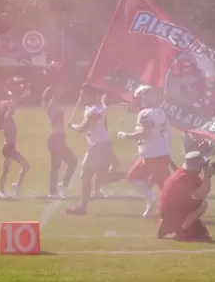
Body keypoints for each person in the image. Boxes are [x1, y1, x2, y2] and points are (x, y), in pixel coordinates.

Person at [67, 85, 124, 215]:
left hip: (98, 147)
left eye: (84, 94)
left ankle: (129, 176)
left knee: (89, 177)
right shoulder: (94, 107)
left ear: (91, 95)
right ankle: (82, 207)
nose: (82, 97)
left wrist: (72, 126)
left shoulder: (95, 110)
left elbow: (83, 128)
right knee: (92, 178)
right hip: (97, 145)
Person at [117, 85, 172, 218]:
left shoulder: (146, 113)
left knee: (132, 177)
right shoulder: (160, 111)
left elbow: (143, 133)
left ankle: (152, 201)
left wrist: (125, 135)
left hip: (151, 156)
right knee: (167, 187)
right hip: (161, 154)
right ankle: (173, 210)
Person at [157, 151, 214, 242]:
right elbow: (201, 195)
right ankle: (180, 230)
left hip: (168, 210)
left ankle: (167, 225)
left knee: (201, 233)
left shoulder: (182, 173)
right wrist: (208, 176)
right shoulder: (186, 177)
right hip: (173, 212)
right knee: (203, 205)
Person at [42, 84, 77, 199]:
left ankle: (53, 191)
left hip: (59, 138)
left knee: (56, 166)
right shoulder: (52, 105)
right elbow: (50, 111)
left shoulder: (56, 103)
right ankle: (61, 186)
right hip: (56, 139)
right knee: (72, 161)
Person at [0, 79, 30, 198]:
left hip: (9, 148)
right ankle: (6, 190)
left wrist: (18, 92)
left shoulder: (6, 117)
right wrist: (16, 91)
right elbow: (13, 104)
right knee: (25, 166)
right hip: (9, 148)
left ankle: (5, 190)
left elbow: (12, 103)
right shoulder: (7, 117)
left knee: (6, 170)